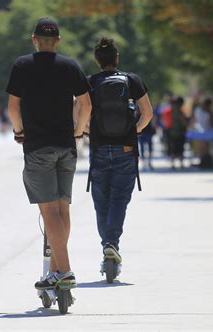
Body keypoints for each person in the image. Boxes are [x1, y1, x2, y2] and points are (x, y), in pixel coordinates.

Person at [6, 18, 92, 290]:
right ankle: (55, 270)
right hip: (66, 145)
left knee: (48, 210)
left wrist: (19, 131)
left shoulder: (22, 65)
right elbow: (86, 104)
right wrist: (78, 131)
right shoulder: (70, 66)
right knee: (62, 208)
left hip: (38, 145)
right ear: (57, 41)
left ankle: (64, 270)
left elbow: (13, 108)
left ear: (34, 39)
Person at [87, 37, 152, 271]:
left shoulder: (90, 82)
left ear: (97, 60)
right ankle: (111, 244)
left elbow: (79, 114)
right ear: (117, 58)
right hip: (126, 149)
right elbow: (147, 113)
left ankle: (108, 245)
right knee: (119, 200)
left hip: (99, 149)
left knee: (101, 202)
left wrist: (88, 132)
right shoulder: (132, 80)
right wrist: (132, 132)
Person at [167, 96, 188, 169]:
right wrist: (186, 126)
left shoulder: (171, 109)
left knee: (173, 148)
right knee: (180, 148)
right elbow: (182, 121)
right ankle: (181, 163)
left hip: (171, 131)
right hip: (179, 132)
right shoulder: (178, 110)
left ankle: (172, 163)